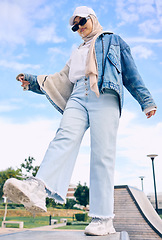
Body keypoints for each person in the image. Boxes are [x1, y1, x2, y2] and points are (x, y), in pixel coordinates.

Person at [3, 6, 157, 236]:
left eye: (82, 21)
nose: (79, 27)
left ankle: (103, 218)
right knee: (63, 137)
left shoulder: (112, 40)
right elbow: (61, 79)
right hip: (78, 94)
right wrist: (33, 82)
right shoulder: (77, 51)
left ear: (92, 18)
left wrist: (146, 100)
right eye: (74, 26)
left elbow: (131, 72)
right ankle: (38, 187)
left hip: (104, 93)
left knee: (102, 155)